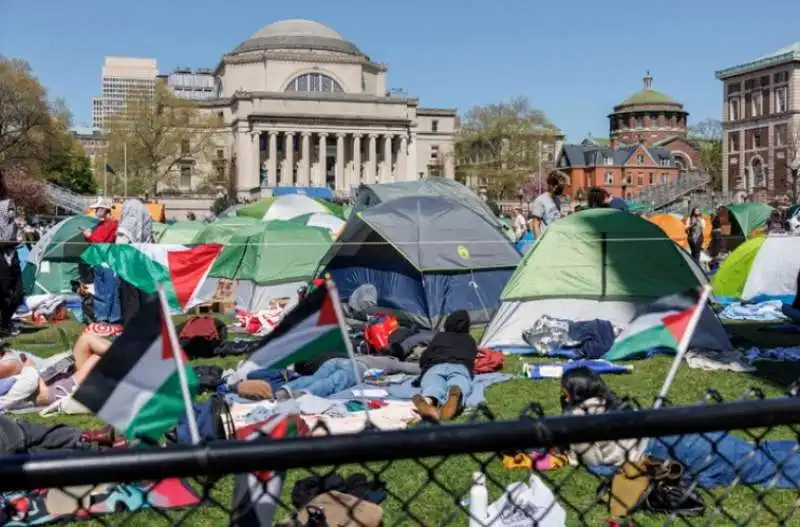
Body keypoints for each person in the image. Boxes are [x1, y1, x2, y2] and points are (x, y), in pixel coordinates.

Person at [560, 367, 800, 489]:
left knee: (762, 468)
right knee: (754, 452)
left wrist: (570, 456)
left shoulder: (579, 421)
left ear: (572, 393)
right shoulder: (607, 402)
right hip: (679, 435)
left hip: (676, 453)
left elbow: (592, 461)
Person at [411, 310, 478, 422]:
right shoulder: (470, 340)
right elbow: (471, 361)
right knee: (460, 382)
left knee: (432, 385)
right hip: (459, 367)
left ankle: (429, 399)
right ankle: (456, 392)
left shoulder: (440, 337)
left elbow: (424, 358)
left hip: (436, 367)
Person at [115, 199, 156, 325]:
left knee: (130, 300)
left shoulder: (129, 222)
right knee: (143, 298)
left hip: (130, 265)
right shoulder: (145, 221)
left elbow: (121, 244)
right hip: (144, 263)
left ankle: (131, 329)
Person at [84, 198, 121, 324]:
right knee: (101, 290)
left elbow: (100, 241)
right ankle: (103, 317)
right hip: (99, 261)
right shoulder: (101, 224)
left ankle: (111, 318)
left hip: (107, 261)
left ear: (104, 210)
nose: (94, 211)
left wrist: (89, 236)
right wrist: (90, 237)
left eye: (96, 209)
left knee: (109, 291)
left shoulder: (112, 224)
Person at [0, 172, 22, 337]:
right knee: (4, 293)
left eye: (13, 209)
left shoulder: (13, 224)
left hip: (13, 256)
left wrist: (17, 240)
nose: (12, 212)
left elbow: (17, 238)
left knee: (19, 293)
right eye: (10, 209)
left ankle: (6, 321)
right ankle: (5, 324)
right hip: (2, 258)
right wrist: (12, 242)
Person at [531, 172, 566, 238]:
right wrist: (540, 243)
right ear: (551, 184)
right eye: (557, 185)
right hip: (546, 241)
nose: (559, 188)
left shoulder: (558, 200)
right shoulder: (540, 200)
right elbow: (535, 224)